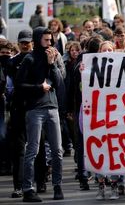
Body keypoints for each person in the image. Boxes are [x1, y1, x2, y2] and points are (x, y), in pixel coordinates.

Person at [16, 27, 64, 202]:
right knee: (33, 150)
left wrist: (52, 64)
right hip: (35, 109)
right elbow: (19, 86)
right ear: (37, 40)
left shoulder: (54, 56)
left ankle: (57, 186)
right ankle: (28, 188)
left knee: (57, 150)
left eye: (51, 40)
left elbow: (59, 83)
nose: (49, 43)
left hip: (52, 108)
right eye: (46, 40)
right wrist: (38, 88)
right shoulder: (29, 59)